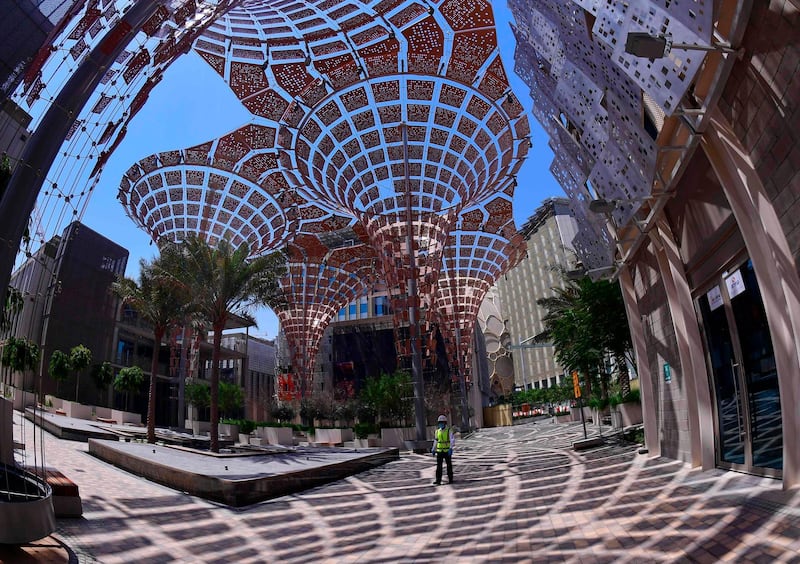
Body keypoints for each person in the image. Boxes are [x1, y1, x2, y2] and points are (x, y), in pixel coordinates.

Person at [431, 414, 455, 485]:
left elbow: (452, 440)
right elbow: (436, 440)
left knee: (449, 466)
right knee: (439, 467)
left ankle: (450, 479)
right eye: (440, 422)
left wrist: (450, 448)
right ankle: (438, 480)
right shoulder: (437, 431)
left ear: (445, 423)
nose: (441, 424)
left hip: (447, 451)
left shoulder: (449, 431)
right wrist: (433, 449)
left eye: (442, 422)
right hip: (439, 451)